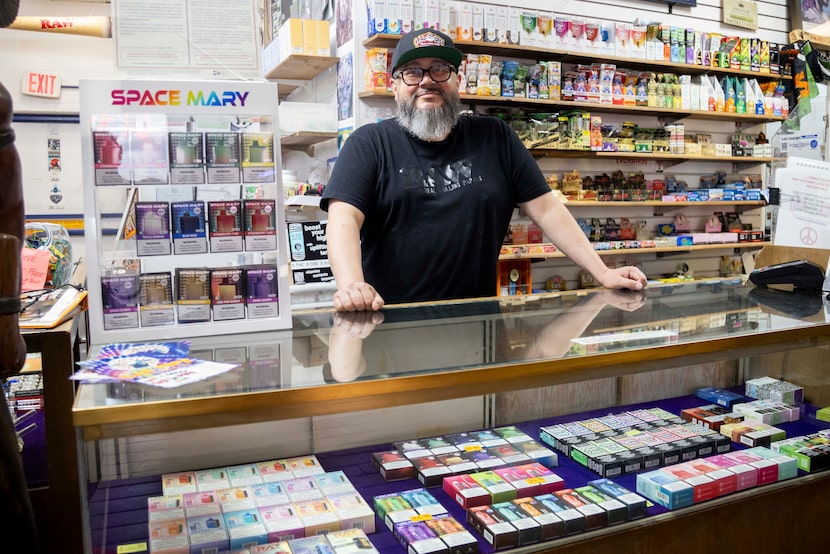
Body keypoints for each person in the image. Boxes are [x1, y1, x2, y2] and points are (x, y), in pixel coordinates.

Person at [321, 28, 647, 312]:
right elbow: (343, 218)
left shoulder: (495, 137)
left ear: (458, 81)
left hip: (477, 322)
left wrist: (602, 272)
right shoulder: (369, 143)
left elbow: (547, 209)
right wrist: (352, 286)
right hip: (387, 324)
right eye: (411, 72)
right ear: (395, 86)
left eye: (439, 70)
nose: (426, 82)